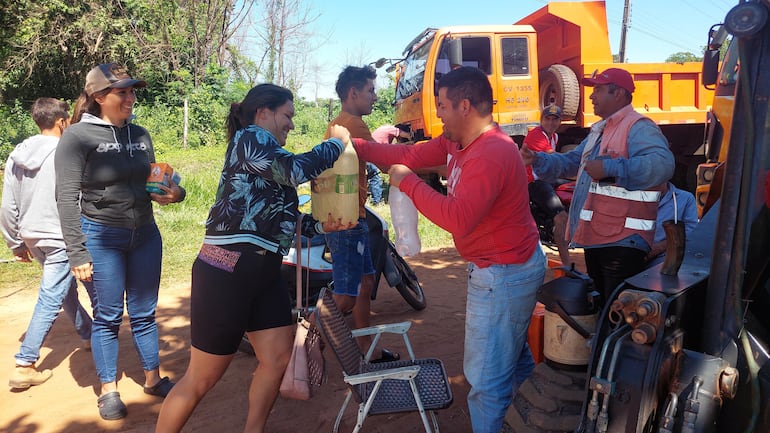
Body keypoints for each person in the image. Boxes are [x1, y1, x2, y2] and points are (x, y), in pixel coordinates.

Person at [352, 66, 546, 433]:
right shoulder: (457, 141)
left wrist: (409, 184)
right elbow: (409, 155)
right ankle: (535, 417)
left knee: (485, 381)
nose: (437, 111)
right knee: (513, 354)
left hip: (504, 273)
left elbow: (458, 219)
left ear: (465, 106)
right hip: (502, 268)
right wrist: (357, 146)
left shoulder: (491, 153)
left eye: (442, 104)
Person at [155, 83, 353, 433]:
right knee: (202, 378)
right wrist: (336, 143)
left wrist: (319, 226)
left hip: (263, 272)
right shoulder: (250, 138)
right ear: (263, 112)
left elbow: (273, 215)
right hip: (226, 268)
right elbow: (294, 171)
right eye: (287, 116)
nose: (291, 124)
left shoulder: (266, 154)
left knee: (276, 358)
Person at [55, 63, 186, 420]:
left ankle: (152, 379)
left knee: (144, 312)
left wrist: (176, 193)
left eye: (132, 91)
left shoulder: (140, 134)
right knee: (108, 316)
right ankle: (109, 390)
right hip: (101, 236)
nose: (130, 98)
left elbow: (157, 180)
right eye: (122, 92)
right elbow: (65, 197)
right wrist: (76, 250)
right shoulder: (78, 137)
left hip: (145, 234)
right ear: (99, 97)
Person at [522, 67, 675, 302]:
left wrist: (611, 169)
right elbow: (573, 162)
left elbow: (663, 165)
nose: (591, 96)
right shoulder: (599, 129)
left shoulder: (638, 127)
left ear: (619, 94)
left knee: (617, 309)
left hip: (623, 240)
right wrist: (539, 159)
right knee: (606, 304)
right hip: (599, 237)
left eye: (599, 90)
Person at [1, 98, 93, 389]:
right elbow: (77, 196)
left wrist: (15, 240)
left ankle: (90, 333)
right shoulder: (66, 152)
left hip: (32, 235)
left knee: (64, 290)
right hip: (60, 234)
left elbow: (7, 203)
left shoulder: (18, 153)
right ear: (62, 122)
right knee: (53, 296)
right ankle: (25, 362)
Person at [324, 66, 398, 361]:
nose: (375, 97)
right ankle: (304, 347)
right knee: (346, 295)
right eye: (370, 90)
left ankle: (366, 348)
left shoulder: (338, 122)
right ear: (353, 93)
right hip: (345, 219)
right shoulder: (354, 124)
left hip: (348, 214)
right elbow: (384, 162)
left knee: (366, 283)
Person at [524, 104, 572, 267]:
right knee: (561, 217)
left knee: (575, 187)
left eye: (555, 119)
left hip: (547, 178)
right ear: (541, 120)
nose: (551, 122)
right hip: (534, 182)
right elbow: (555, 160)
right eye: (547, 119)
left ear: (560, 122)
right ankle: (567, 265)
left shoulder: (554, 137)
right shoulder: (536, 136)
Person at [645, 181, 698, 266]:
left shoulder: (686, 198)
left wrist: (660, 247)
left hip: (665, 256)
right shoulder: (633, 196)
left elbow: (690, 233)